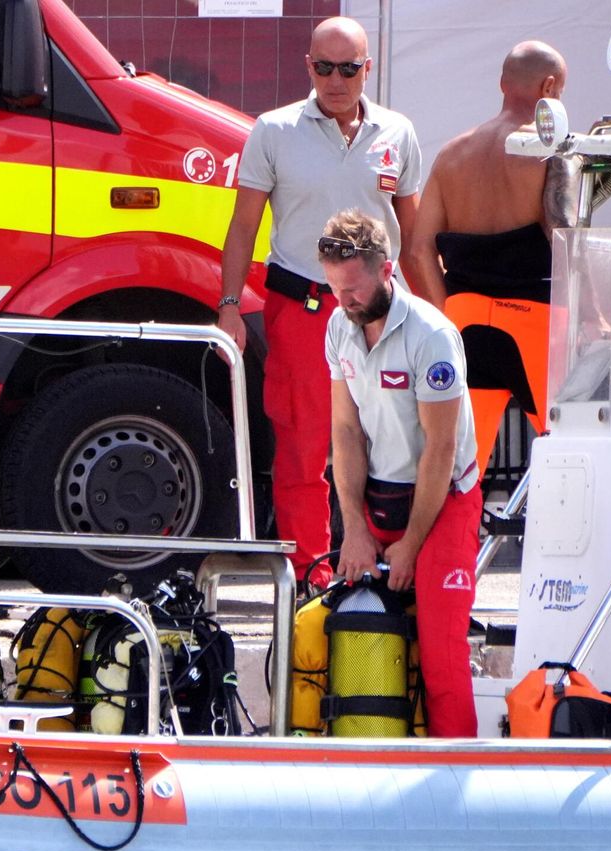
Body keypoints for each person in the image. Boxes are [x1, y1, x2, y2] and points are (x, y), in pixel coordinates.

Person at [218, 16, 423, 591]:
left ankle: (387, 572)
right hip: (303, 308)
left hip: (382, 315)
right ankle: (314, 575)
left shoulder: (397, 132)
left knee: (392, 440)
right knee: (307, 447)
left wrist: (439, 316)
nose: (337, 80)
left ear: (367, 69)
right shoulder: (275, 130)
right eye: (325, 67)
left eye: (349, 68)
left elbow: (417, 233)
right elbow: (242, 226)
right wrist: (229, 305)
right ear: (308, 66)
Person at [323, 210, 480, 738]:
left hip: (443, 500)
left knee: (441, 658)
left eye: (352, 288)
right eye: (333, 287)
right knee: (348, 628)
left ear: (386, 268)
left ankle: (454, 787)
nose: (343, 301)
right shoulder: (338, 328)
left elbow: (441, 448)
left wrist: (412, 543)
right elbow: (344, 433)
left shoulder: (432, 335)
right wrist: (354, 529)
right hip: (378, 493)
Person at [404, 41, 577, 479]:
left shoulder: (451, 153)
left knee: (456, 468)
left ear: (502, 84)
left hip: (464, 321)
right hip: (534, 320)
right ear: (551, 86)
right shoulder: (547, 148)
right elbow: (566, 239)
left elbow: (419, 248)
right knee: (568, 453)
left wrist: (447, 314)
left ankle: (449, 548)